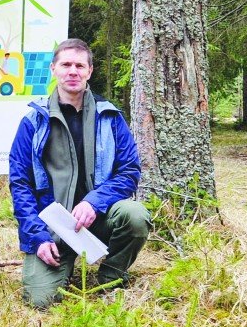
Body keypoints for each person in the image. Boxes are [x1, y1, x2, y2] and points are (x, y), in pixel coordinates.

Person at [8, 38, 150, 309]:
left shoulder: (109, 117)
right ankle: (61, 261)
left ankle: (111, 277)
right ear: (53, 69)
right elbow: (20, 184)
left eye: (80, 65)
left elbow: (129, 171)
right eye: (66, 65)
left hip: (99, 219)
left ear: (89, 71)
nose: (72, 71)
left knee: (135, 215)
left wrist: (94, 202)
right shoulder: (33, 122)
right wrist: (37, 236)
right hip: (52, 228)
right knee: (40, 301)